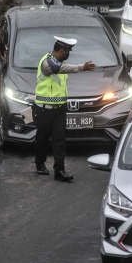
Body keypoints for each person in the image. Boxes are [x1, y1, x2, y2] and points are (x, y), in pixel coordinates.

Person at [32, 37, 96, 182]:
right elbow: (58, 69)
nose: (69, 54)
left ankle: (59, 170)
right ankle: (39, 163)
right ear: (62, 51)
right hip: (44, 109)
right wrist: (81, 67)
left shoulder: (59, 61)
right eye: (68, 51)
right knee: (42, 139)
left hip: (60, 109)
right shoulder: (47, 62)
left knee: (59, 140)